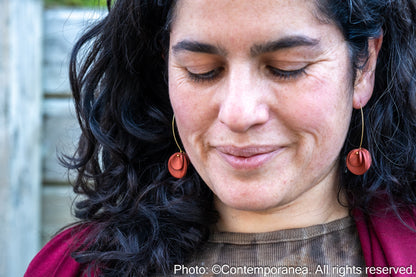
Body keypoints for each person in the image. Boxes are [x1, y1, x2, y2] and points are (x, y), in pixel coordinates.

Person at [25, 0, 416, 276]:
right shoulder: (71, 267)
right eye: (202, 70)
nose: (239, 113)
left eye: (286, 68)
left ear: (363, 66)